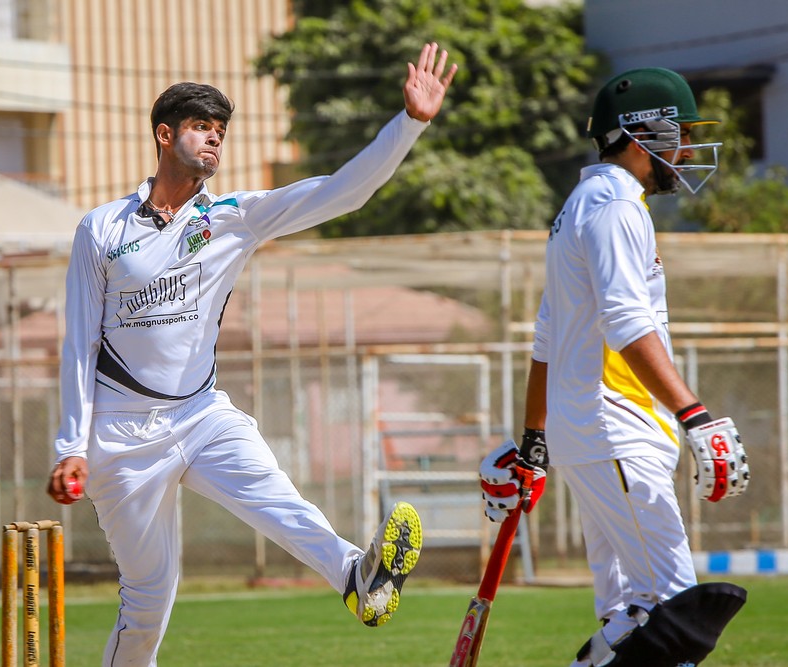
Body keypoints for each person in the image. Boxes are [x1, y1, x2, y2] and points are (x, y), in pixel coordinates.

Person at [47, 43, 457, 665]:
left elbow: (342, 192)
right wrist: (70, 446)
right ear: (164, 135)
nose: (215, 138)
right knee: (148, 601)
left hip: (200, 414)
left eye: (221, 129)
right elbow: (80, 341)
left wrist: (410, 124)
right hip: (120, 435)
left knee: (278, 497)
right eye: (200, 126)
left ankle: (357, 576)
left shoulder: (232, 217)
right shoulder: (102, 228)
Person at [479, 68, 749, 667]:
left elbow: (547, 338)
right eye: (680, 133)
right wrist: (696, 416)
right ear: (641, 132)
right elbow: (626, 322)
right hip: (616, 426)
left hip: (597, 432)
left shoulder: (583, 205)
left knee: (631, 617)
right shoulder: (615, 205)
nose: (686, 150)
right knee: (675, 615)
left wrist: (534, 440)